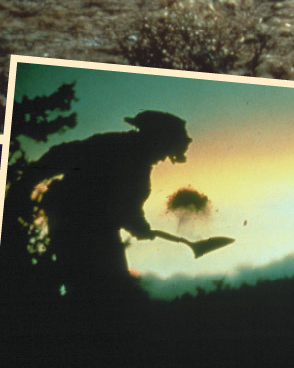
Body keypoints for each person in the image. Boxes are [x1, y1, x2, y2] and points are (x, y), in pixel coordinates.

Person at [13, 110, 192, 306]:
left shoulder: (138, 162)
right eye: (166, 150)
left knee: (107, 289)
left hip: (98, 228)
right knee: (97, 290)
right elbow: (62, 155)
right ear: (155, 139)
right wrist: (24, 185)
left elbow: (126, 204)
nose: (164, 158)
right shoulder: (112, 146)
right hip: (75, 225)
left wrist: (138, 225)